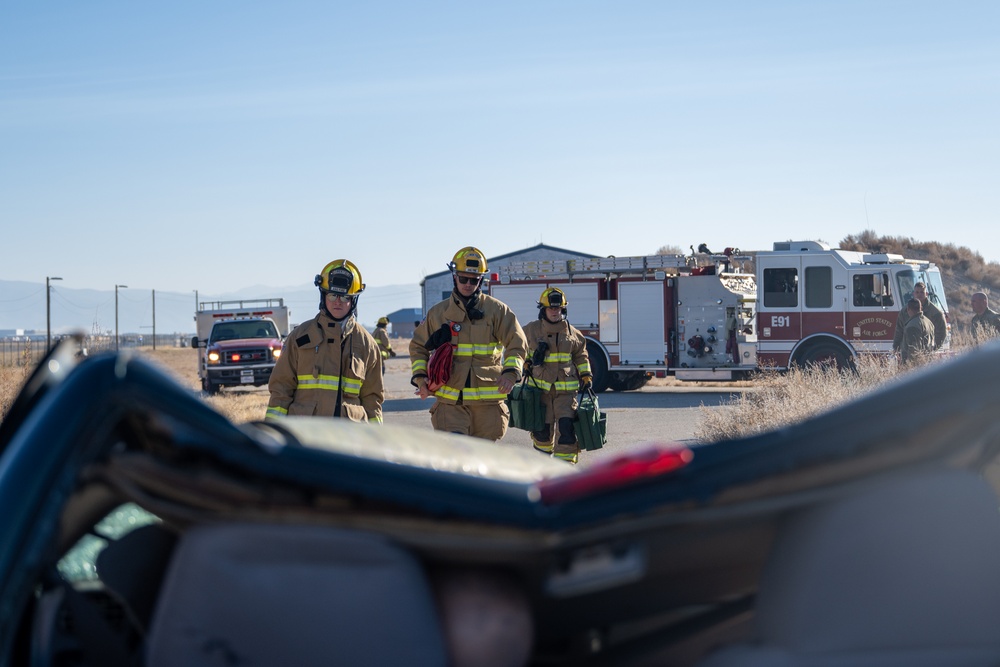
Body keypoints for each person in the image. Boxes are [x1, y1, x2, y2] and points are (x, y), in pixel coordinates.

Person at [409, 247, 527, 441]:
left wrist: (511, 372)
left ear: (481, 280)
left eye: (474, 279)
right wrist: (421, 379)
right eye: (463, 278)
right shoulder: (438, 313)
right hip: (450, 406)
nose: (468, 284)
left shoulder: (497, 311)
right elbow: (417, 347)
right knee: (457, 460)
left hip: (487, 408)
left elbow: (518, 344)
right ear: (454, 277)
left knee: (484, 463)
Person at [265, 259, 383, 423]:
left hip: (350, 438)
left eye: (344, 297)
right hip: (307, 436)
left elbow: (372, 398)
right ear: (323, 295)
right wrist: (272, 430)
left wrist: (376, 440)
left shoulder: (366, 344)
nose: (337, 302)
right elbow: (281, 389)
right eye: (332, 295)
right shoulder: (299, 338)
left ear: (353, 300)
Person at [521, 287, 593, 464]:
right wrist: (526, 363)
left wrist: (586, 375)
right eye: (551, 308)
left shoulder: (573, 334)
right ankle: (543, 464)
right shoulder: (530, 330)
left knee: (567, 431)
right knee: (542, 432)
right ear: (543, 310)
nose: (555, 312)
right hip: (540, 393)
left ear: (563, 310)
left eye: (558, 308)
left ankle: (564, 470)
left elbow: (581, 356)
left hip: (565, 395)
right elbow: (518, 350)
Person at [892, 281, 946, 353]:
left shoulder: (936, 313)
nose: (919, 294)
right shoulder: (905, 310)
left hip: (926, 352)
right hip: (907, 352)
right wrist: (896, 347)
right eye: (917, 292)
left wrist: (932, 349)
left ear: (926, 294)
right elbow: (899, 330)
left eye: (922, 292)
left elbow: (941, 333)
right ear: (913, 294)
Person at [899, 298, 935, 365]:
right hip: (928, 363)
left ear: (908, 309)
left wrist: (908, 366)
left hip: (916, 366)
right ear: (921, 308)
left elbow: (913, 350)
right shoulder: (929, 322)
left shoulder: (912, 326)